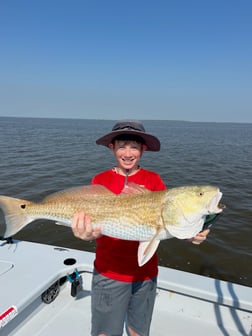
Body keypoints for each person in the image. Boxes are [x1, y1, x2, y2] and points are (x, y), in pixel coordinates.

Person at [71, 120, 209, 336]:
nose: (128, 153)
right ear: (112, 147)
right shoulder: (100, 180)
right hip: (109, 273)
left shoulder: (154, 180)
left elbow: (166, 223)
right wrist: (86, 235)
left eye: (134, 147)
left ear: (143, 149)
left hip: (146, 275)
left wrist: (190, 235)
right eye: (122, 146)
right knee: (105, 332)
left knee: (138, 331)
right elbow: (95, 225)